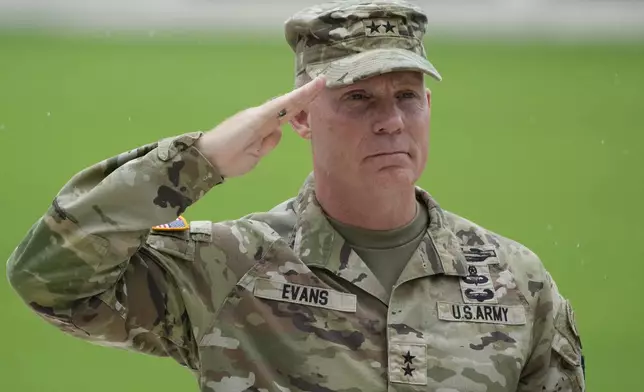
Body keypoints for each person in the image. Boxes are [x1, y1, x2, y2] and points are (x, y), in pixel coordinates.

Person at [6, 0, 585, 391]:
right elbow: (48, 279)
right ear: (301, 118)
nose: (391, 121)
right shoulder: (230, 266)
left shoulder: (517, 280)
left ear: (428, 108)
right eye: (359, 98)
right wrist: (197, 161)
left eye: (407, 95)